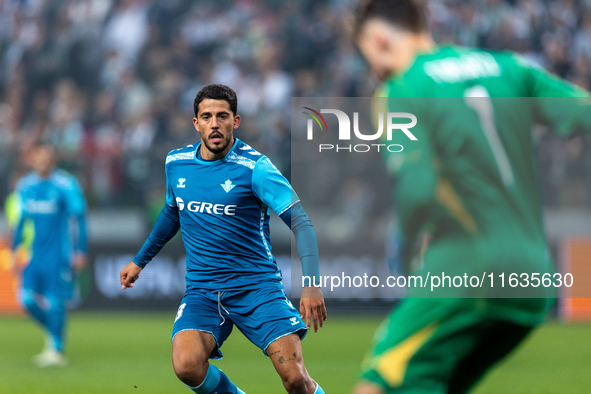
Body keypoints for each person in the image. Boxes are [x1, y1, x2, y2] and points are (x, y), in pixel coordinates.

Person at [352, 0, 591, 393]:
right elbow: (580, 112)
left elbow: (417, 187)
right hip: (533, 280)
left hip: (466, 269)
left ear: (378, 39)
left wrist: (405, 244)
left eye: (367, 57)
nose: (373, 70)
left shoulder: (402, 87)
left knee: (376, 385)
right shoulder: (509, 66)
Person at [120, 84, 327, 394]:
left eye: (222, 116)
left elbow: (300, 221)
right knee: (187, 365)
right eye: (206, 116)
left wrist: (311, 283)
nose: (214, 124)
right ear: (196, 123)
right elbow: (171, 213)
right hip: (203, 291)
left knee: (296, 380)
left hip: (256, 289)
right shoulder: (176, 163)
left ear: (236, 121)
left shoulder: (255, 168)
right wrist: (139, 261)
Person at [10, 145, 88, 367]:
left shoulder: (65, 184)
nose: (43, 162)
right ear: (32, 160)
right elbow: (21, 219)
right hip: (34, 254)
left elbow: (79, 217)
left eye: (47, 158)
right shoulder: (26, 185)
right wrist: (16, 247)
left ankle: (55, 349)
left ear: (53, 161)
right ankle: (56, 330)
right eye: (39, 158)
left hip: (59, 255)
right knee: (25, 300)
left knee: (55, 303)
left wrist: (80, 250)